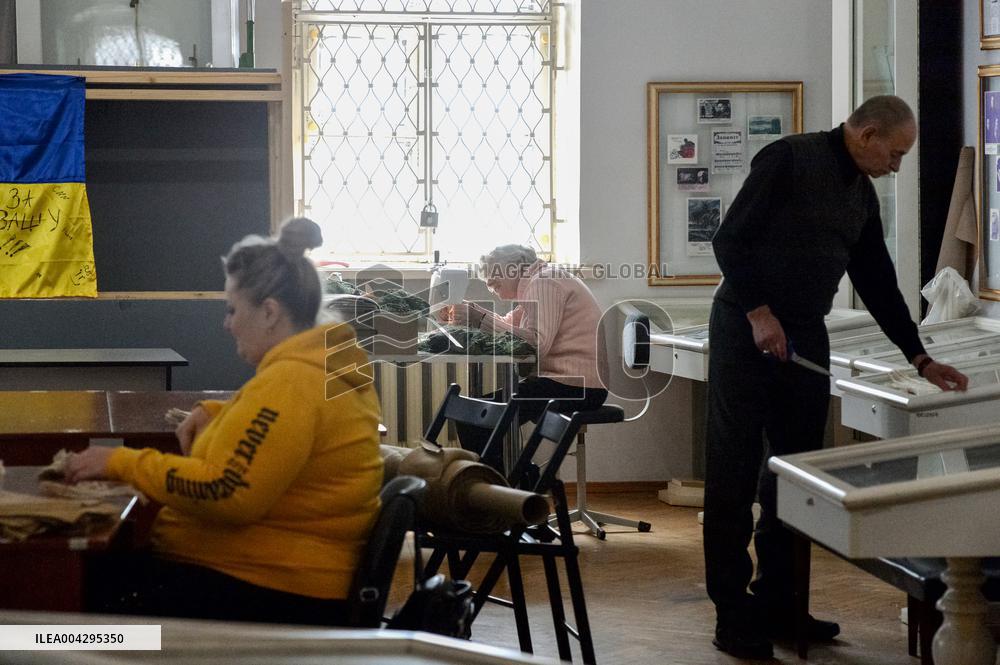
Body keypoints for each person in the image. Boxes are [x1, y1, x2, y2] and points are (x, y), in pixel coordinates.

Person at [704, 95, 969, 659]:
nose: (895, 167)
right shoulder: (788, 159)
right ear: (867, 133)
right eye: (894, 154)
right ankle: (733, 615)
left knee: (797, 475)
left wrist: (919, 357)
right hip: (745, 329)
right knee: (733, 471)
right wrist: (758, 314)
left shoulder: (861, 195)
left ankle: (779, 603)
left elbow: (877, 280)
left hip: (803, 334)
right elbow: (728, 240)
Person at [64, 217, 383, 626]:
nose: (227, 323)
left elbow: (226, 491)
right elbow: (279, 434)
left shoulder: (292, 382)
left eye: (233, 309)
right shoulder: (321, 369)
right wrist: (220, 413)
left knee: (64, 614)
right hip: (275, 581)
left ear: (269, 312)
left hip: (262, 595)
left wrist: (118, 463)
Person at [440, 244, 608, 471]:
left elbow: (534, 344)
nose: (489, 283)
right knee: (473, 417)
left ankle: (506, 489)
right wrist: (475, 313)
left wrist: (479, 318)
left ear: (515, 266)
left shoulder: (544, 282)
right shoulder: (538, 281)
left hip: (576, 387)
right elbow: (509, 325)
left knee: (472, 420)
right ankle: (511, 485)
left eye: (493, 272)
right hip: (567, 383)